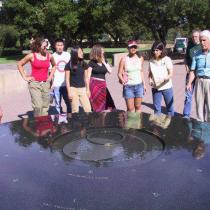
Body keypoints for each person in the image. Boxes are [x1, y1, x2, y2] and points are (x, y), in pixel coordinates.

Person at [18, 38, 56, 117]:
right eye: (44, 47)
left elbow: (54, 65)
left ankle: (44, 126)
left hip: (46, 84)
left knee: (45, 106)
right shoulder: (31, 55)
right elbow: (19, 64)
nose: (46, 48)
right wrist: (25, 77)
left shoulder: (49, 56)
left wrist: (50, 76)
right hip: (34, 84)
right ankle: (38, 125)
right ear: (38, 46)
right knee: (38, 106)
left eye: (46, 46)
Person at [187, 30, 210, 122]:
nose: (202, 42)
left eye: (204, 40)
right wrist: (189, 83)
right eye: (201, 41)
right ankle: (200, 130)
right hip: (199, 81)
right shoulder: (196, 54)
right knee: (199, 107)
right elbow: (192, 71)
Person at [118, 40, 146, 112]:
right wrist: (122, 79)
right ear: (128, 48)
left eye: (135, 47)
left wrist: (144, 84)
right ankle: (130, 123)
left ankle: (137, 123)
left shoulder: (141, 58)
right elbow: (119, 73)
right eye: (131, 47)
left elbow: (141, 71)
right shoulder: (124, 59)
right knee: (130, 109)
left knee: (138, 107)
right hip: (128, 87)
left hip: (139, 86)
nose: (133, 49)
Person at [148, 41, 174, 116]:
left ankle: (171, 124)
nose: (155, 52)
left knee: (170, 108)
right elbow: (150, 73)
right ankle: (157, 126)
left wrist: (165, 78)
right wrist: (150, 79)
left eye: (157, 50)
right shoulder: (151, 60)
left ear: (161, 50)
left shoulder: (166, 59)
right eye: (153, 50)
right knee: (156, 109)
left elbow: (171, 73)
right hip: (156, 88)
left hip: (167, 87)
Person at [86, 44, 115, 112]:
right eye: (102, 51)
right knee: (97, 106)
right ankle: (97, 120)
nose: (103, 53)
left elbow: (110, 71)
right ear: (97, 52)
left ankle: (102, 120)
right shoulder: (91, 63)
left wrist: (104, 62)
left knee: (108, 104)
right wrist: (87, 89)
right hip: (94, 86)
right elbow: (87, 77)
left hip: (103, 86)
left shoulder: (105, 61)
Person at [65, 46, 91, 113]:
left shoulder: (84, 64)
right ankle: (75, 123)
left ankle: (88, 123)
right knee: (75, 110)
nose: (82, 53)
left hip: (83, 89)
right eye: (80, 52)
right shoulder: (69, 65)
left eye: (82, 51)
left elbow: (86, 78)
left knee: (88, 109)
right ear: (74, 53)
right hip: (73, 89)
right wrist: (69, 92)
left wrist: (88, 90)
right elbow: (67, 80)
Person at [183, 30, 201, 118]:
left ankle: (201, 116)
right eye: (193, 36)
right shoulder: (189, 46)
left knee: (201, 97)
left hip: (200, 76)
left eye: (196, 36)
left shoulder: (203, 46)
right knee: (188, 95)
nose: (194, 38)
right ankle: (186, 115)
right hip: (190, 74)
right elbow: (185, 58)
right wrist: (186, 66)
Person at [52, 38, 71, 114]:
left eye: (61, 45)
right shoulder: (52, 56)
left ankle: (70, 118)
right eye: (58, 45)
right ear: (55, 46)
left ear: (63, 46)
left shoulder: (67, 55)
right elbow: (51, 72)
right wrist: (52, 84)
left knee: (69, 102)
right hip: (57, 84)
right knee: (57, 104)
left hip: (67, 84)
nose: (60, 47)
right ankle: (58, 121)